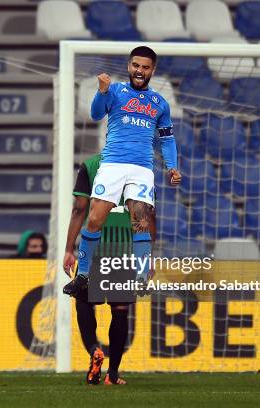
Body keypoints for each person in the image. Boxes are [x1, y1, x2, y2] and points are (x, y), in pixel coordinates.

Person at [63, 46, 181, 298]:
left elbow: (167, 139)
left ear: (153, 70)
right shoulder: (115, 91)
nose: (140, 71)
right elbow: (96, 114)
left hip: (142, 168)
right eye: (136, 66)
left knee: (140, 221)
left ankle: (140, 277)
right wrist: (102, 91)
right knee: (94, 219)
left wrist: (172, 166)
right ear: (129, 66)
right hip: (113, 164)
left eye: (145, 67)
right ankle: (83, 276)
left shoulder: (160, 103)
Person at [63, 154, 157, 385]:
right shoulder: (140, 167)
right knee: (120, 310)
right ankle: (112, 374)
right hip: (124, 248)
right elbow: (145, 218)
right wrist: (146, 259)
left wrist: (68, 249)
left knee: (83, 302)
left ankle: (94, 350)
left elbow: (79, 209)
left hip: (93, 246)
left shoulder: (91, 166)